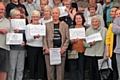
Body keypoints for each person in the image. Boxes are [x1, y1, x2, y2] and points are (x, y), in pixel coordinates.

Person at [43, 8, 69, 80]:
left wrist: (64, 48)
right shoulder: (46, 25)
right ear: (51, 14)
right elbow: (44, 38)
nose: (55, 15)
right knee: (50, 72)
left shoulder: (65, 25)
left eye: (56, 13)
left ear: (59, 14)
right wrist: (46, 48)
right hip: (49, 51)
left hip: (61, 51)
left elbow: (67, 38)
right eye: (53, 13)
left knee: (60, 73)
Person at [83, 15, 107, 80]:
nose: (94, 23)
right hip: (89, 54)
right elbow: (84, 43)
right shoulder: (88, 30)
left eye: (96, 21)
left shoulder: (104, 30)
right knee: (91, 73)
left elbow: (106, 44)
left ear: (99, 22)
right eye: (93, 22)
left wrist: (105, 55)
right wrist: (90, 44)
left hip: (100, 54)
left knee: (98, 73)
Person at [25, 10, 45, 80]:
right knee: (32, 65)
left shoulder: (42, 26)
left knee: (40, 66)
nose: (35, 18)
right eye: (34, 17)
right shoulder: (28, 26)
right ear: (31, 17)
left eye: (37, 17)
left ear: (39, 17)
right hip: (31, 47)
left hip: (41, 47)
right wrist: (34, 37)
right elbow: (27, 39)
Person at [7, 8, 26, 80]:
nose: (18, 17)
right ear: (12, 16)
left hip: (22, 48)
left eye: (19, 15)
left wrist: (25, 42)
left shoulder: (23, 23)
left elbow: (26, 35)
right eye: (16, 15)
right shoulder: (9, 23)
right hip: (13, 48)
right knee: (12, 67)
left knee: (20, 68)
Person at [69, 12, 86, 80]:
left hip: (83, 51)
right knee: (73, 69)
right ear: (74, 20)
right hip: (73, 51)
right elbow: (67, 39)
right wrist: (71, 41)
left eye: (80, 18)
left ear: (82, 19)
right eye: (77, 18)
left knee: (81, 68)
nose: (78, 20)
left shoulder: (86, 28)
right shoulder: (71, 28)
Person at [106, 6, 119, 80]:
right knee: (114, 69)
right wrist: (107, 51)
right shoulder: (111, 25)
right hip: (113, 50)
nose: (117, 15)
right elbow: (108, 39)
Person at [0, 2, 11, 80]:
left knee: (4, 69)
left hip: (5, 48)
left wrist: (18, 39)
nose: (3, 11)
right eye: (1, 9)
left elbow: (11, 33)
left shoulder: (7, 21)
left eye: (4, 9)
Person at [112, 9, 120, 80]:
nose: (118, 15)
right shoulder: (116, 21)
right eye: (117, 14)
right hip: (118, 50)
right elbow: (114, 30)